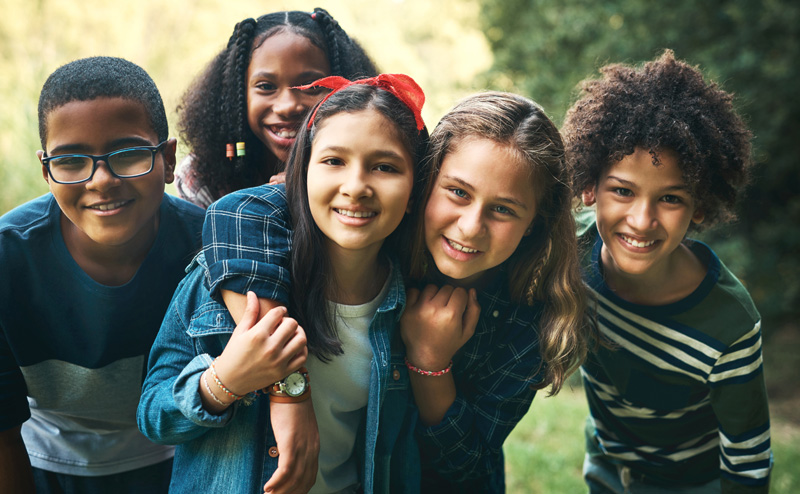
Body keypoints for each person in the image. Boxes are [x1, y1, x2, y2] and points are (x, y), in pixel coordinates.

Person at [138, 74, 429, 493]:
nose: (356, 187)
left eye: (385, 167)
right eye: (334, 161)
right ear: (301, 173)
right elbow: (153, 414)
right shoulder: (222, 279)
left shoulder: (410, 305)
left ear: (414, 190)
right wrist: (225, 381)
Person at [562, 50, 771, 493]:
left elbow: (747, 460)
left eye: (671, 199)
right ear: (588, 188)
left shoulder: (730, 325)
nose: (641, 220)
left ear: (700, 206)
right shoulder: (569, 250)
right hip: (606, 467)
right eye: (622, 190)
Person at [0, 56, 205, 494]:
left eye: (129, 155)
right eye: (71, 161)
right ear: (45, 172)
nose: (102, 181)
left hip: (185, 453)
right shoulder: (8, 259)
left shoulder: (208, 246)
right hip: (45, 465)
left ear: (168, 160)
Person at [401, 92, 591, 493]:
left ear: (534, 225)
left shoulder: (531, 320)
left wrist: (430, 361)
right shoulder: (375, 255)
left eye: (503, 209)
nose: (471, 227)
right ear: (426, 179)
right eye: (458, 192)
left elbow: (469, 465)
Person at [175, 8, 378, 208]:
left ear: (349, 88)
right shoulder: (203, 176)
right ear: (235, 95)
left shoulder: (372, 175)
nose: (287, 106)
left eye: (311, 87)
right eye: (266, 87)